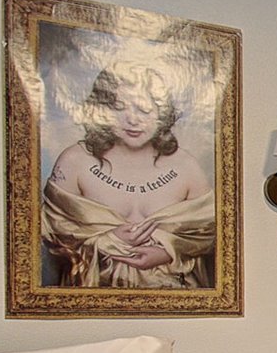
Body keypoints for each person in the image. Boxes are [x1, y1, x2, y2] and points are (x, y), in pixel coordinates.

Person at [42, 63, 215, 288]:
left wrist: (167, 252)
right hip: (93, 296)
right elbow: (52, 234)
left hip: (173, 296)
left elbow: (211, 233)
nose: (132, 120)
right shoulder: (75, 161)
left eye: (144, 109)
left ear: (162, 113)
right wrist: (107, 242)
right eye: (119, 108)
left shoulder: (186, 166)